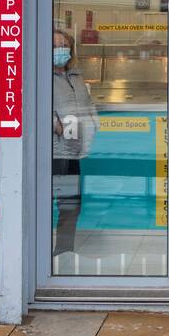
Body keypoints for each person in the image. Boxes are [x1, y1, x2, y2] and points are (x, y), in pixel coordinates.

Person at [51, 28, 98, 257]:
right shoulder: (41, 76)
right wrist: (56, 126)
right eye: (56, 45)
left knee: (71, 203)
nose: (61, 50)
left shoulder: (76, 77)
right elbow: (33, 104)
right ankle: (38, 256)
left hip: (74, 151)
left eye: (65, 45)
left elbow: (87, 105)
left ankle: (63, 251)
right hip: (54, 151)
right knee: (49, 201)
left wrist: (93, 124)